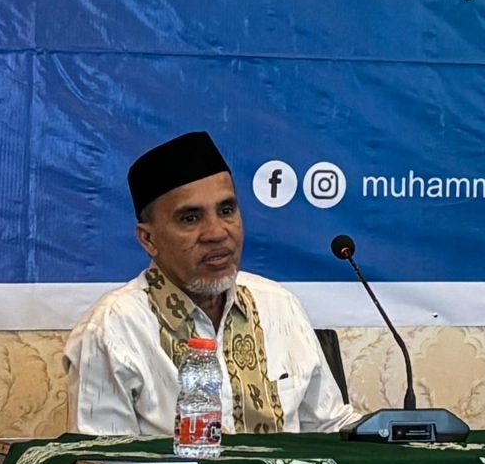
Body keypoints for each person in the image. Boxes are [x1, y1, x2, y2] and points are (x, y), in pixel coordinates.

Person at [65, 129, 358, 437]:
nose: (217, 233)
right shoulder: (112, 329)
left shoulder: (280, 305)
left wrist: (386, 431)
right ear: (148, 239)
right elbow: (99, 457)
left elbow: (329, 428)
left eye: (226, 210)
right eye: (190, 218)